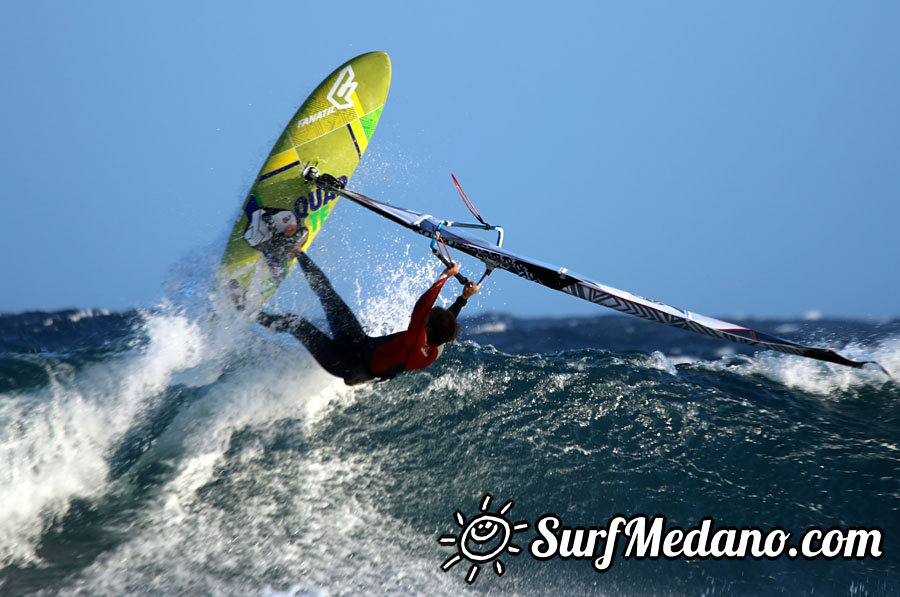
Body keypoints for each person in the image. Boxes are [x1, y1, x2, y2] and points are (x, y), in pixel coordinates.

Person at [256, 252, 478, 385]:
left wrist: (444, 277)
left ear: (427, 330)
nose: (426, 318)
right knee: (328, 295)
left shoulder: (415, 343)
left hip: (346, 365)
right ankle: (295, 249)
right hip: (358, 343)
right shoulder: (434, 348)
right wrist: (463, 298)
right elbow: (443, 322)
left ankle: (248, 312)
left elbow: (421, 309)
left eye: (428, 321)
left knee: (297, 324)